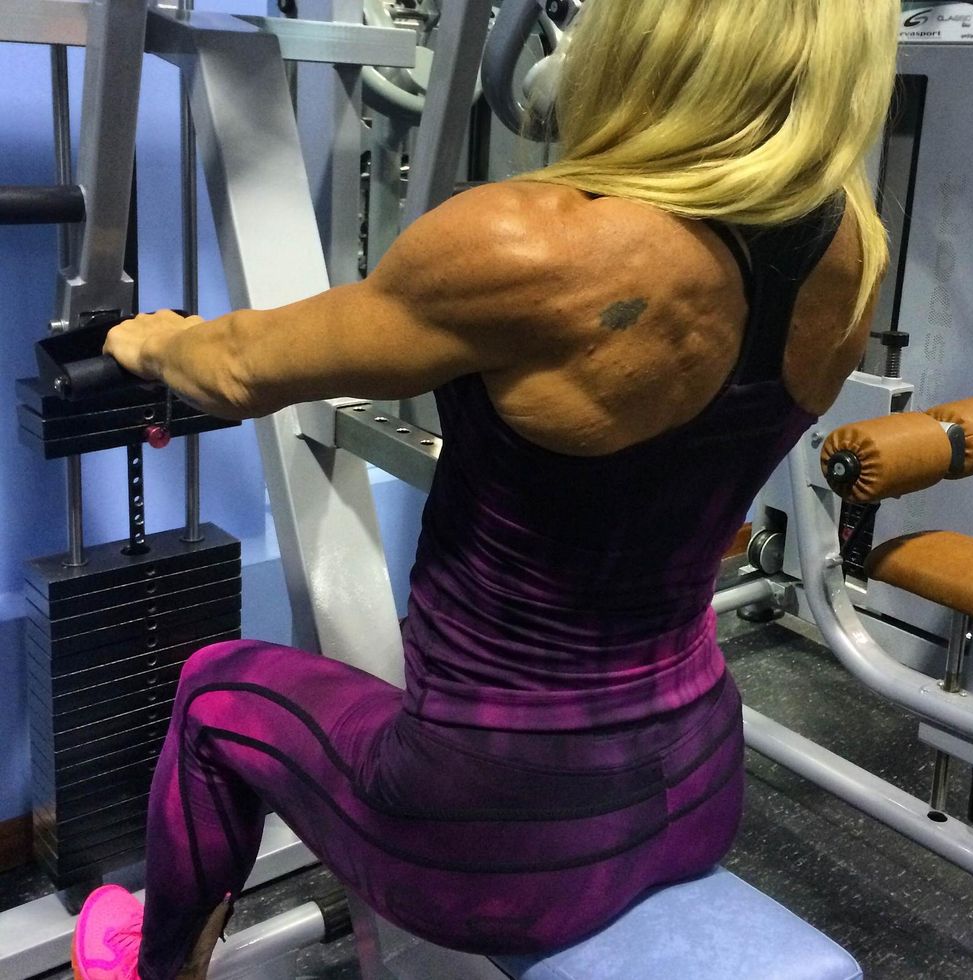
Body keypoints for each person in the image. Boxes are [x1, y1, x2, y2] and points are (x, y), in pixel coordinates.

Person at [70, 1, 900, 977]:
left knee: (215, 691)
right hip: (698, 783)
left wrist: (150, 339)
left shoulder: (532, 244)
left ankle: (151, 966)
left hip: (492, 844)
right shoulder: (853, 250)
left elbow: (240, 366)